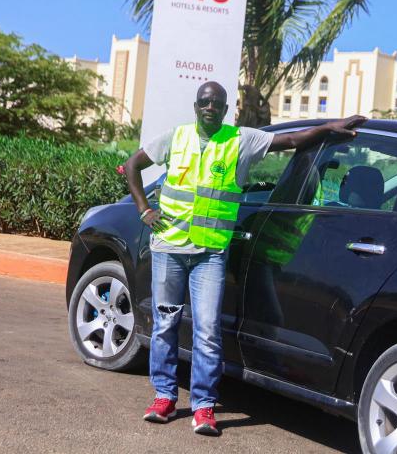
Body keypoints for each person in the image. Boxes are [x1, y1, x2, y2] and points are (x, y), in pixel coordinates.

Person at [123, 80, 365, 436]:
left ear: (225, 110)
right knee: (165, 326)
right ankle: (164, 396)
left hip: (210, 254)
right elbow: (131, 165)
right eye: (204, 101)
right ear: (196, 105)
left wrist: (328, 128)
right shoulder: (177, 137)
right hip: (169, 248)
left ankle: (204, 407)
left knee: (207, 332)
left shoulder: (239, 140)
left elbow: (291, 140)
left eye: (216, 103)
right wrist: (144, 208)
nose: (209, 107)